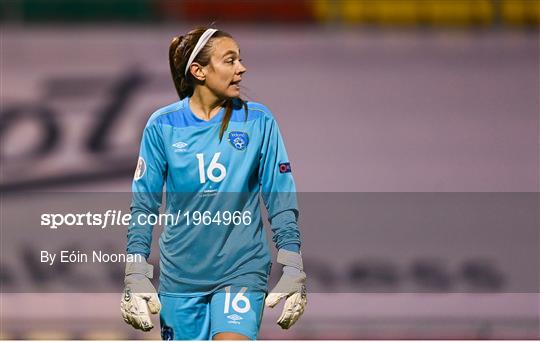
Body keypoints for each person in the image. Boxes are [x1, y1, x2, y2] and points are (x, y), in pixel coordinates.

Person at [120, 27, 307, 340]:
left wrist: (292, 263)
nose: (241, 68)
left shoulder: (258, 121)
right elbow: (144, 204)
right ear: (199, 71)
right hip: (181, 275)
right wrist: (135, 272)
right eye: (230, 60)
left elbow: (280, 196)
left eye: (240, 60)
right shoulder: (163, 125)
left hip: (241, 268)